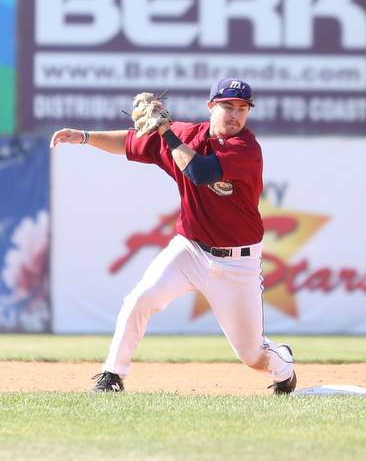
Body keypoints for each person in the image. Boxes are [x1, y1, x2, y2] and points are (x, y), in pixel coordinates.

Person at [49, 77, 297, 395]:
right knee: (140, 298)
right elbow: (129, 142)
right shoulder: (184, 134)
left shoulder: (246, 148)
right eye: (227, 107)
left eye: (242, 108)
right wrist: (84, 136)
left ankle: (284, 367)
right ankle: (112, 375)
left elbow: (200, 173)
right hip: (190, 249)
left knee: (252, 355)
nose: (235, 115)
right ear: (211, 107)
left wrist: (164, 130)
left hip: (239, 262)